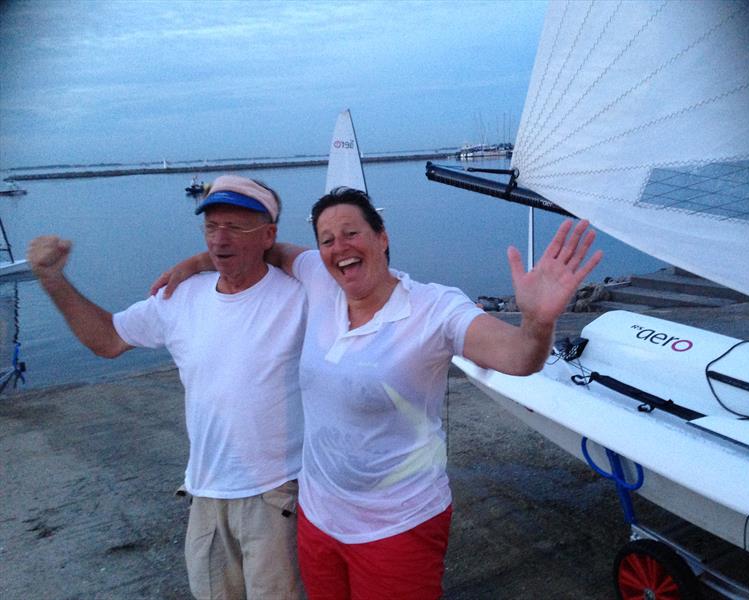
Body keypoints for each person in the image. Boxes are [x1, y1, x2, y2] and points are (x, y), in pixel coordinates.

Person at [155, 186, 602, 600]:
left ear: (382, 237)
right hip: (318, 519)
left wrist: (537, 322)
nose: (339, 248)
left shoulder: (433, 308)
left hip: (399, 525)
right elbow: (264, 250)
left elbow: (520, 357)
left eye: (352, 233)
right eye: (327, 240)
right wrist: (198, 263)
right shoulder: (317, 278)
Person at [28, 175, 307, 600]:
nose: (220, 238)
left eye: (236, 226)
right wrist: (52, 279)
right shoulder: (181, 296)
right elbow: (108, 339)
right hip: (205, 495)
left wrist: (201, 259)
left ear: (269, 234)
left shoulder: (300, 296)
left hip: (276, 496)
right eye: (211, 227)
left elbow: (340, 264)